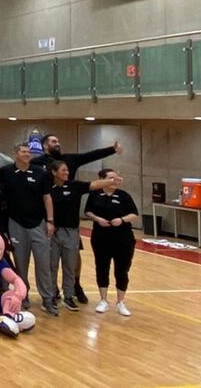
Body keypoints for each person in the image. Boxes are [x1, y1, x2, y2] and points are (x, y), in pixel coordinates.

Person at [33, 134, 123, 303]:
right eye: (53, 141)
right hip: (50, 220)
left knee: (73, 257)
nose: (57, 143)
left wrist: (112, 150)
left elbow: (90, 156)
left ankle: (75, 285)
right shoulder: (36, 163)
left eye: (58, 140)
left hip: (70, 216)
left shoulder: (69, 161)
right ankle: (51, 292)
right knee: (51, 261)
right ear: (45, 145)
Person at [0, 143, 57, 316]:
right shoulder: (5, 172)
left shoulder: (40, 173)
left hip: (38, 223)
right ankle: (23, 297)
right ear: (15, 154)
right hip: (15, 223)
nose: (26, 154)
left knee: (43, 264)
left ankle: (47, 299)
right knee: (20, 265)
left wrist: (50, 221)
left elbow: (47, 198)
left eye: (28, 152)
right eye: (23, 152)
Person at [48, 160, 117, 311]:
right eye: (63, 170)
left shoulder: (75, 186)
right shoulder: (47, 187)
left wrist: (110, 180)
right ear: (54, 172)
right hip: (52, 231)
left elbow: (93, 185)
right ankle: (51, 295)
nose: (66, 173)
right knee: (51, 265)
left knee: (70, 265)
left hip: (71, 231)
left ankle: (68, 296)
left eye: (67, 170)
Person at [85, 168, 139, 316]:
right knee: (102, 267)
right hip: (101, 238)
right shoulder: (95, 194)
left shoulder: (124, 196)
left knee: (122, 270)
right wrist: (97, 219)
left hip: (123, 239)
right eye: (111, 178)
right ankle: (103, 300)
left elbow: (134, 214)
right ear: (102, 179)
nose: (115, 180)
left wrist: (121, 220)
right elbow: (87, 211)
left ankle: (120, 302)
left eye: (116, 178)